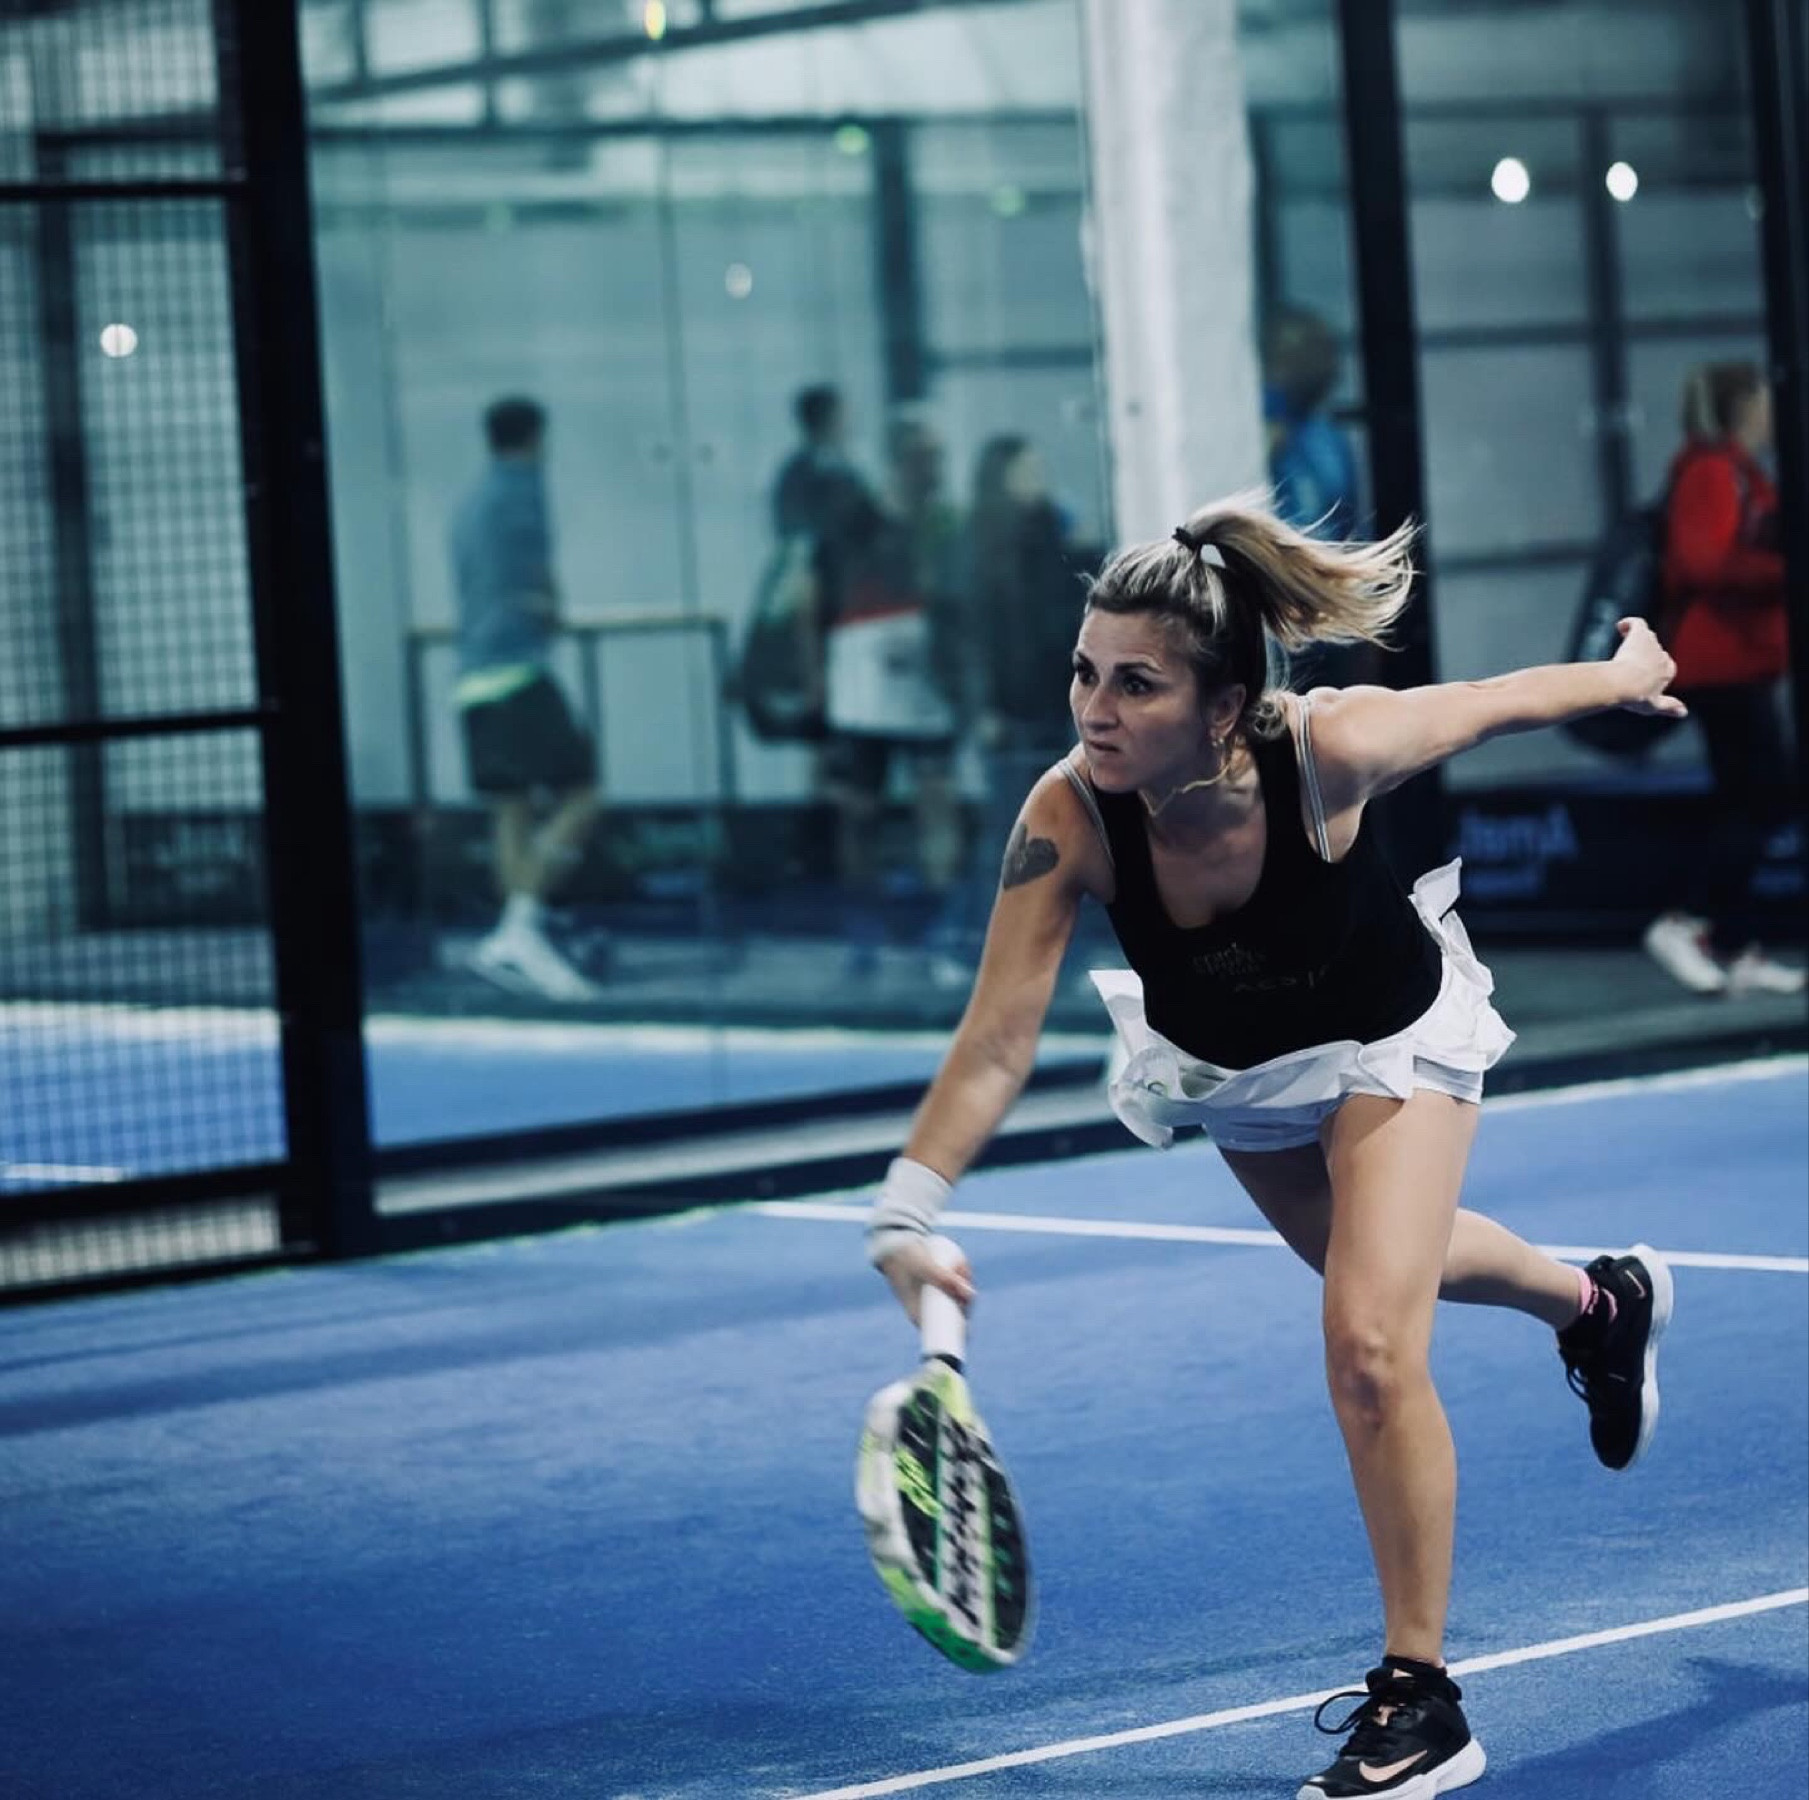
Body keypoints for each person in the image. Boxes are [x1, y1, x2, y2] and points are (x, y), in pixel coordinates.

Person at [863, 495, 1680, 1798]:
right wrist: (905, 1213)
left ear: (1225, 707)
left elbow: (1490, 702)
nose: (1094, 710)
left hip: (1386, 1038)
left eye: (1136, 684)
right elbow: (997, 1036)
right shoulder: (1070, 815)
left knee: (1368, 1342)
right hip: (1239, 1071)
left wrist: (1624, 674)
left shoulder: (1329, 747)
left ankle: (1422, 1699)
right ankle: (1598, 1304)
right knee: (1385, 1267)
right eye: (1084, 671)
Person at [1643, 361, 1802, 997]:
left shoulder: (1740, 470)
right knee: (1758, 797)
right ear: (1742, 408)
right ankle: (1685, 923)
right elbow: (1704, 562)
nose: (1771, 415)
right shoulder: (1711, 471)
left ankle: (1734, 945)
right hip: (1718, 664)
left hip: (1746, 660)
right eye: (1762, 402)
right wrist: (1786, 570)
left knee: (1758, 798)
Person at [449, 396, 604, 1002]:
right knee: (583, 795)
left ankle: (517, 941)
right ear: (536, 437)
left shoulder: (469, 502)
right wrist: (551, 611)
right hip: (516, 671)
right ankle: (520, 927)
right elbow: (537, 578)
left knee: (510, 811)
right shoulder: (524, 489)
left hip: (473, 676)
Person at [933, 435, 1091, 981]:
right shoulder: (976, 546)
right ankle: (976, 947)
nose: (1038, 480)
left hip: (1053, 703)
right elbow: (963, 637)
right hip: (1006, 711)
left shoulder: (1051, 534)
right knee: (1007, 834)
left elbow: (1070, 612)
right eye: (1026, 470)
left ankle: (1050, 954)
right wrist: (977, 707)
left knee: (1060, 834)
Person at [822, 411, 964, 975]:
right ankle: (864, 929)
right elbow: (820, 593)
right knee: (861, 809)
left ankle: (942, 928)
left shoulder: (945, 524)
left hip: (927, 678)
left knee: (937, 800)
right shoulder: (858, 519)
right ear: (900, 461)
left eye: (937, 458)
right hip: (864, 680)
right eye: (922, 457)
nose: (932, 468)